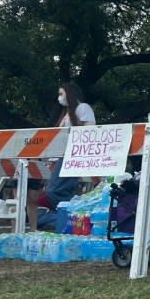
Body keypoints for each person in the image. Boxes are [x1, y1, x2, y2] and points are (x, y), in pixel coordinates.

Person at [26, 82, 97, 231]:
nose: (59, 97)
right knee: (59, 192)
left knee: (55, 192)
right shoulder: (67, 114)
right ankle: (73, 220)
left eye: (61, 93)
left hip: (73, 156)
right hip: (63, 157)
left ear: (70, 94)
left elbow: (90, 131)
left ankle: (77, 217)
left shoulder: (82, 108)